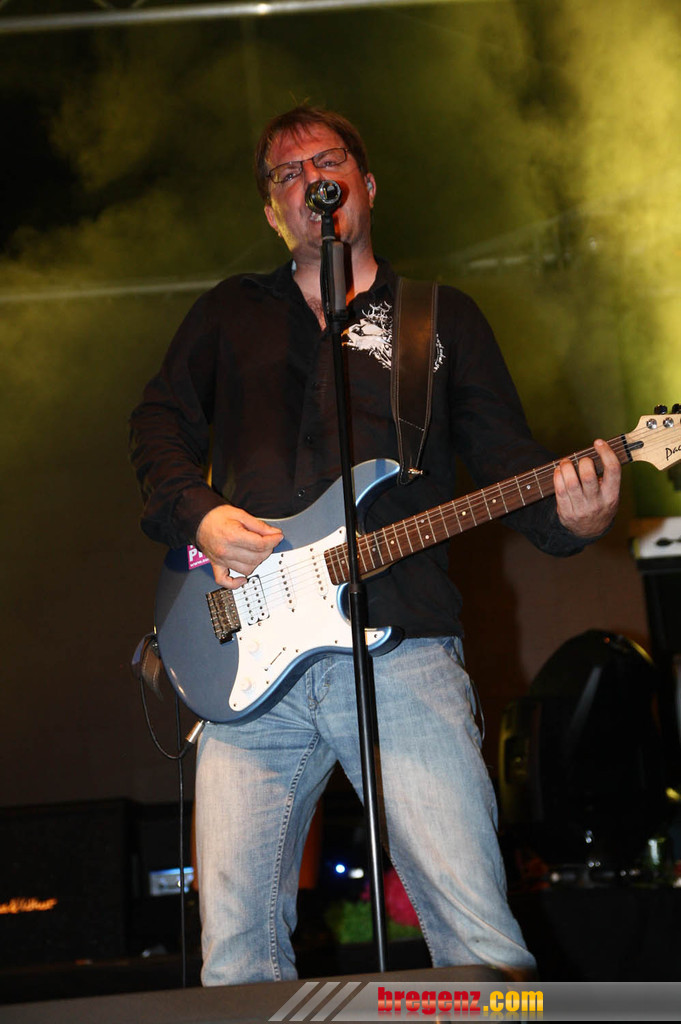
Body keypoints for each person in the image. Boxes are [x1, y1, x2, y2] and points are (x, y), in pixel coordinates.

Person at [129, 106, 621, 985]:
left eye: (328, 161)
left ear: (365, 185)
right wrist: (199, 513)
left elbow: (507, 461)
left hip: (402, 647)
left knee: (479, 942)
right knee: (236, 957)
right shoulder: (229, 313)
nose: (311, 179)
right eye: (287, 173)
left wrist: (574, 517)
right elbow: (157, 425)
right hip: (244, 656)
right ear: (272, 211)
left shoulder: (439, 318)